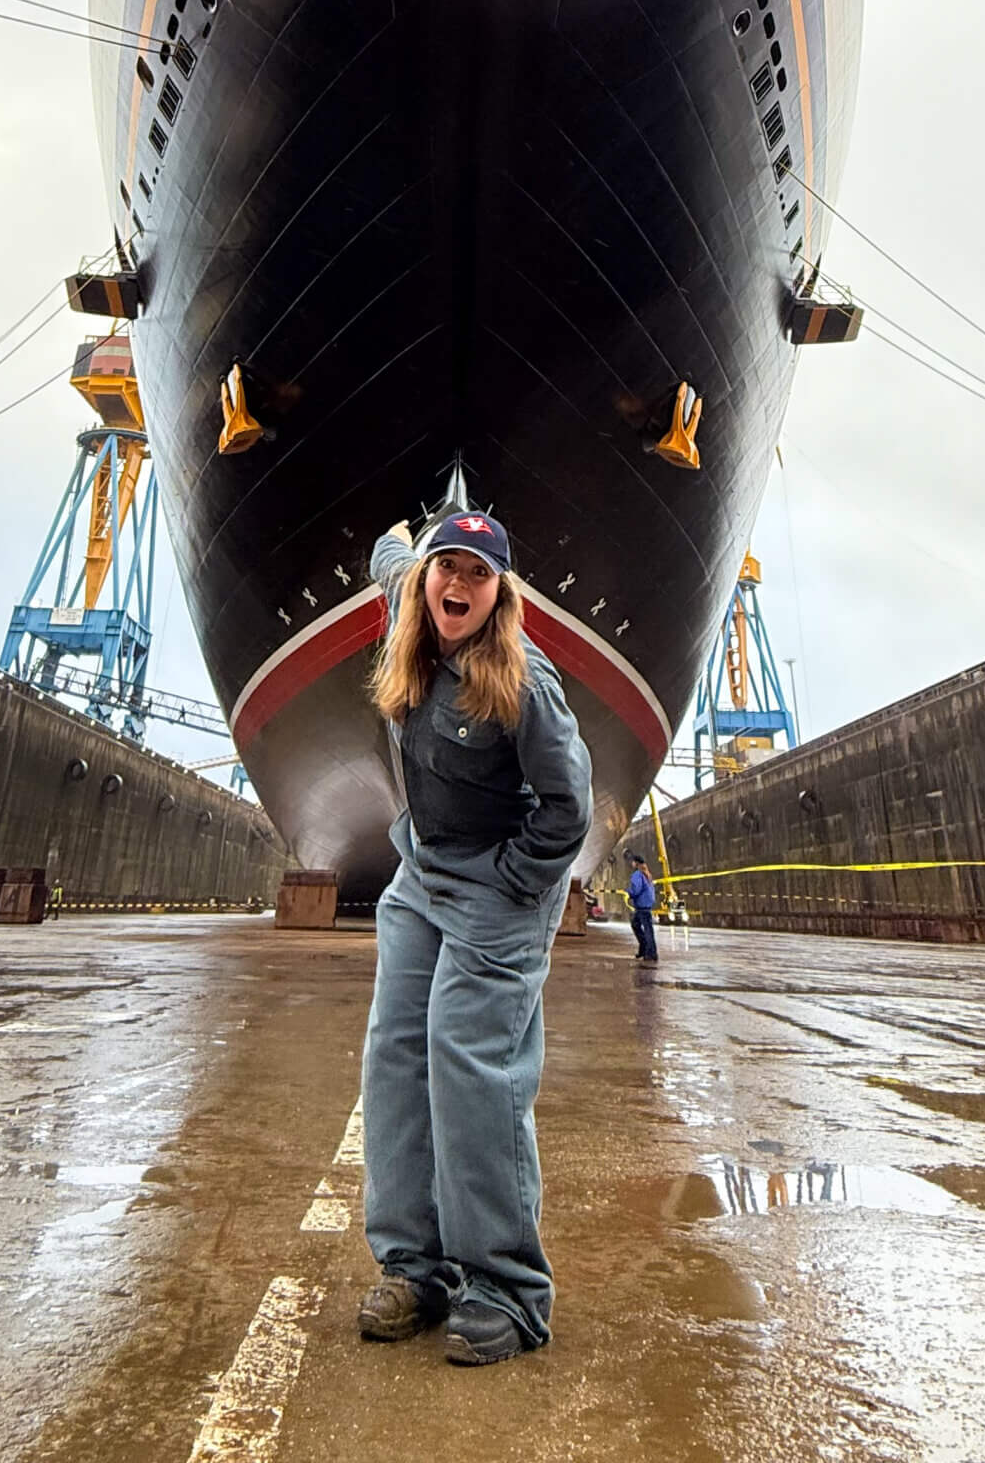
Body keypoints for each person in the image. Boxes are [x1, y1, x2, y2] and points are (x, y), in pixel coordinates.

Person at [357, 507, 591, 1368]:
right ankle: (414, 1268)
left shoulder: (523, 682)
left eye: (477, 573)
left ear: (500, 594)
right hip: (421, 874)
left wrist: (516, 881)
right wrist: (397, 532)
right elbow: (387, 557)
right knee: (394, 1056)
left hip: (498, 884)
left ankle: (506, 1287)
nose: (457, 583)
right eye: (444, 565)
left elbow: (571, 809)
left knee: (469, 1065)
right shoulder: (404, 611)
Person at [626, 853, 659, 964]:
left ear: (636, 863)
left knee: (643, 928)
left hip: (641, 906)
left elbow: (636, 890)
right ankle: (646, 950)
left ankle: (649, 953)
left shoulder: (637, 874)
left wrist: (628, 893)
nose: (631, 863)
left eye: (633, 862)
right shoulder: (647, 874)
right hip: (647, 905)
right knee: (641, 927)